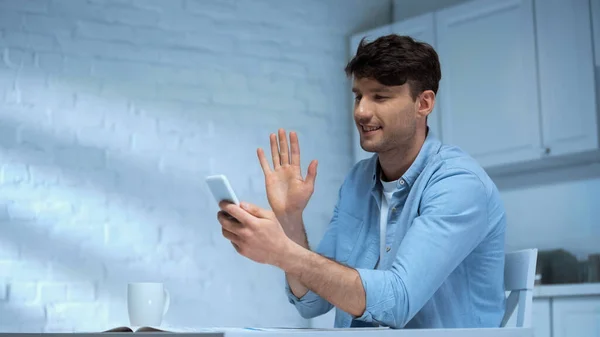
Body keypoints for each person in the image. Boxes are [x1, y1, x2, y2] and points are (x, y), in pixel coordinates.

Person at [216, 34, 507, 329]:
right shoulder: (358, 181)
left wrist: (282, 252)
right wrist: (290, 219)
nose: (361, 111)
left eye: (380, 96)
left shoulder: (459, 185)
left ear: (423, 103)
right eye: (358, 96)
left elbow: (396, 302)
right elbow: (313, 301)